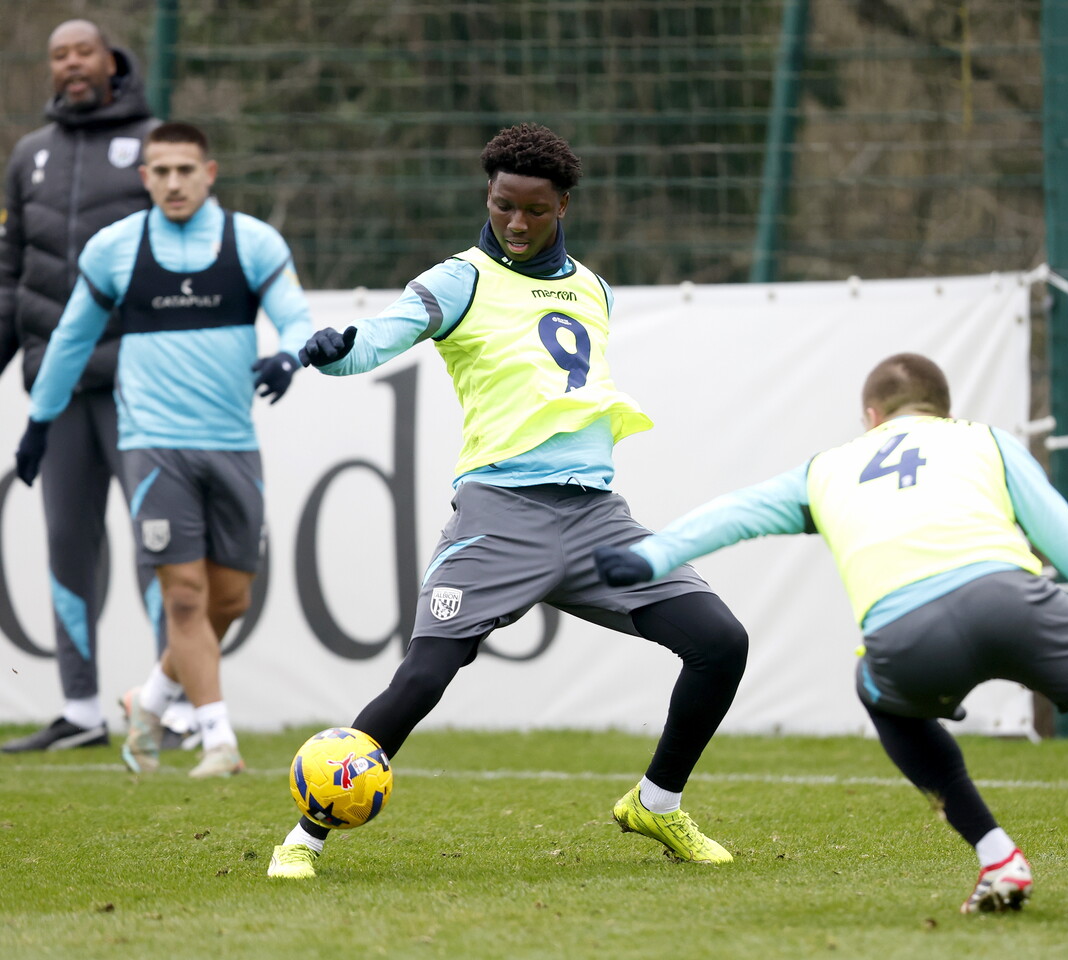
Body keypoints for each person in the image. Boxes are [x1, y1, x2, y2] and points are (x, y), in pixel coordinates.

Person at [594, 352, 1068, 919]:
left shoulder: (828, 467)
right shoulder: (983, 442)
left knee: (878, 692)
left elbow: (732, 514)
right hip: (1016, 605)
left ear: (871, 417)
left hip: (905, 638)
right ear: (942, 412)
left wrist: (651, 558)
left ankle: (995, 854)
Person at [265, 122, 748, 879]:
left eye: (534, 210)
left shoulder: (593, 288)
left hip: (594, 516)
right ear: (486, 197)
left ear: (564, 207)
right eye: (501, 207)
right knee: (424, 678)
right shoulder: (459, 279)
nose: (516, 224)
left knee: (721, 642)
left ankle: (655, 805)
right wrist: (334, 350)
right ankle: (303, 838)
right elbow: (380, 337)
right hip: (500, 518)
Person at [12, 121, 313, 778]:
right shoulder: (115, 250)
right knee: (182, 595)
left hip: (233, 445)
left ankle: (147, 701)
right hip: (152, 447)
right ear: (144, 178)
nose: (173, 183)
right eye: (161, 172)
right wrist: (40, 421)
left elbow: (295, 313)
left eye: (185, 170)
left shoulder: (252, 242)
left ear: (210, 172)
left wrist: (292, 353)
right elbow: (67, 342)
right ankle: (217, 740)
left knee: (227, 600)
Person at [0, 20, 168, 753]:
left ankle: (179, 703)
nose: (71, 64)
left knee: (157, 542)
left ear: (110, 61)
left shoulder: (158, 142)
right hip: (57, 387)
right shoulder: (29, 155)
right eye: (59, 54)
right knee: (68, 542)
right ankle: (79, 711)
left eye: (83, 53)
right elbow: (12, 275)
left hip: (139, 382)